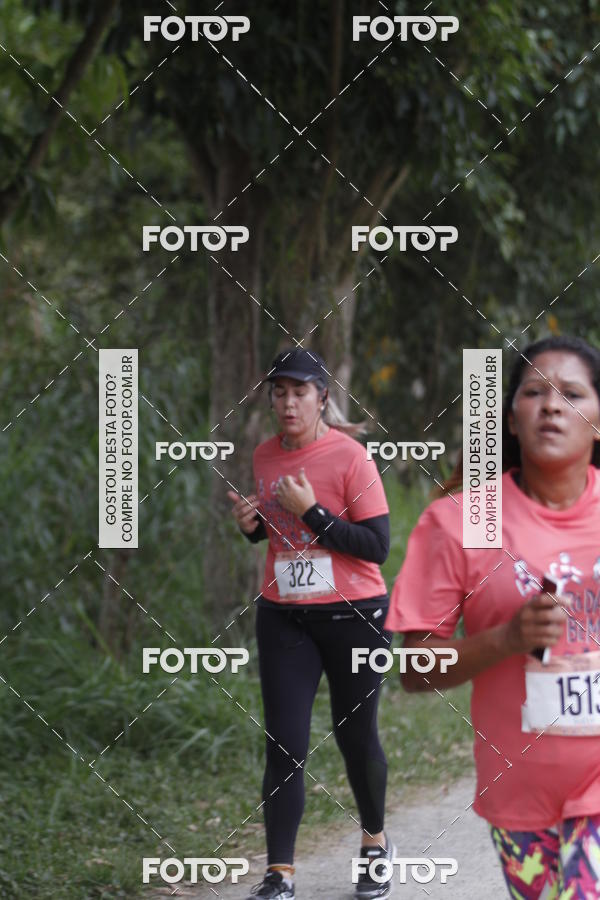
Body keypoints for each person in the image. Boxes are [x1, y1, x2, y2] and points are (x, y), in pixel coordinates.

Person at [385, 335, 600, 898]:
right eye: (535, 393)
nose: (553, 405)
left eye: (572, 394)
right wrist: (507, 637)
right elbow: (414, 670)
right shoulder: (464, 521)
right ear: (510, 420)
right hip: (518, 794)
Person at [227, 348, 395, 900]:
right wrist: (254, 527)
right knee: (285, 742)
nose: (288, 402)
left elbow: (376, 547)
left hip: (355, 618)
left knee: (355, 737)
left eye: (300, 391)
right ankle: (280, 873)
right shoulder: (265, 455)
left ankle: (374, 846)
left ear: (322, 396)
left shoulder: (351, 458)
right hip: (285, 617)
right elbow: (283, 540)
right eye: (279, 392)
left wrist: (312, 512)